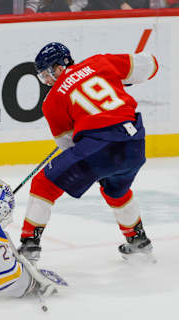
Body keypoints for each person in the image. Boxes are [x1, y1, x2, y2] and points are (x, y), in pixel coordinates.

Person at [18, 42, 158, 263]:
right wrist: (123, 78)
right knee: (115, 191)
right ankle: (138, 241)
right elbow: (151, 65)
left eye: (47, 72)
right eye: (41, 76)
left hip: (101, 147)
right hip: (135, 143)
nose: (46, 80)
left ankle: (29, 247)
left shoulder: (52, 100)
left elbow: (68, 145)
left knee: (43, 184)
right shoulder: (100, 62)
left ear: (61, 65)